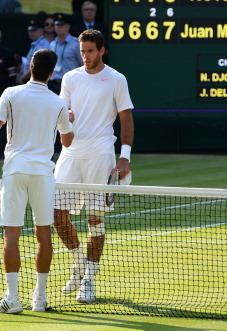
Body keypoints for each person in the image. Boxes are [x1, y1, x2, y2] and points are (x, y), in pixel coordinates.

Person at [0, 48, 74, 314]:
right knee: (44, 234)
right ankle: (39, 299)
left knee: (12, 234)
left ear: (30, 67)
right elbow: (67, 141)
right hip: (42, 174)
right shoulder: (58, 103)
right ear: (52, 73)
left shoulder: (10, 94)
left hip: (15, 171)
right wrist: (65, 121)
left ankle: (13, 298)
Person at [53, 29, 134, 304]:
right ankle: (79, 264)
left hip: (101, 154)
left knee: (94, 219)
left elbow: (126, 120)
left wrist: (124, 157)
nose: (85, 56)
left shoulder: (116, 79)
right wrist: (66, 115)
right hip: (70, 154)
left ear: (102, 51)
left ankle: (89, 280)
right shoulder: (70, 78)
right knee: (56, 214)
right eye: (82, 51)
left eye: (90, 51)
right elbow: (62, 116)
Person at [47, 13, 82, 94]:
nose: (59, 27)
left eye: (61, 25)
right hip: (53, 83)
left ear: (68, 27)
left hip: (71, 84)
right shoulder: (52, 44)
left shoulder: (76, 44)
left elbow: (82, 64)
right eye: (57, 25)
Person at [19, 19, 51, 84]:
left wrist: (23, 77)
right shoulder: (34, 44)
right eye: (30, 30)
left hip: (37, 81)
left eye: (34, 30)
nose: (32, 33)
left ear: (42, 31)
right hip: (30, 80)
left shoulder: (42, 45)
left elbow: (36, 66)